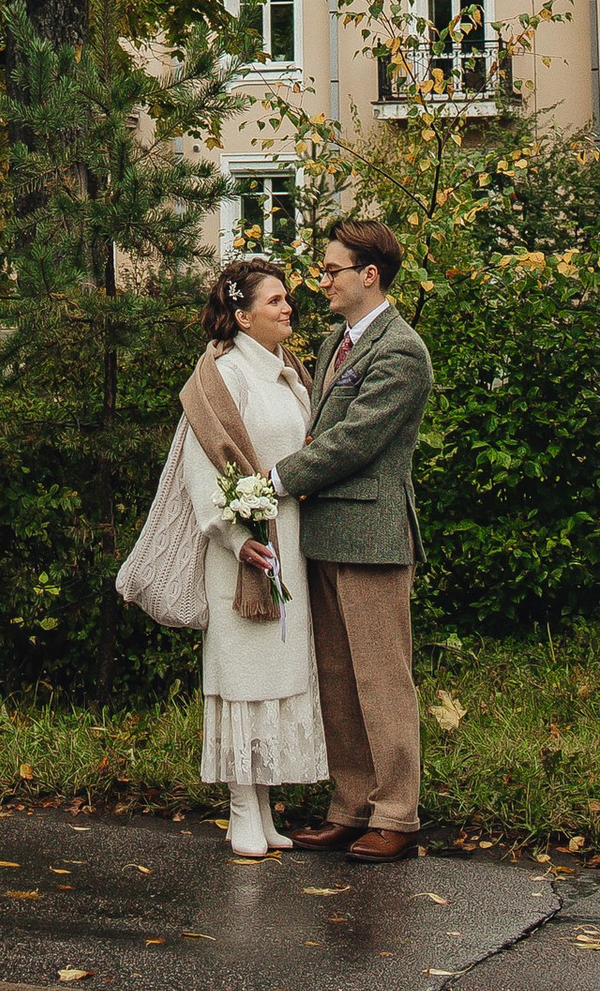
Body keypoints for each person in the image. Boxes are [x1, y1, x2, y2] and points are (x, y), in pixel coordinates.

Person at [269, 216, 433, 863]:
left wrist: (276, 478)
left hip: (372, 533)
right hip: (325, 531)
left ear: (370, 274)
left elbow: (353, 440)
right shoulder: (336, 339)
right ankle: (351, 804)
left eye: (332, 269)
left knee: (381, 678)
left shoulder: (401, 349)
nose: (323, 280)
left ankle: (398, 813)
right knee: (336, 676)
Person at [181, 254, 325, 858]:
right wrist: (239, 541)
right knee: (242, 677)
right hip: (241, 554)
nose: (288, 307)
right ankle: (241, 808)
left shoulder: (289, 372)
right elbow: (200, 471)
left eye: (287, 298)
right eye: (274, 301)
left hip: (287, 542)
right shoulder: (225, 377)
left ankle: (265, 811)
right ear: (240, 316)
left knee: (280, 676)